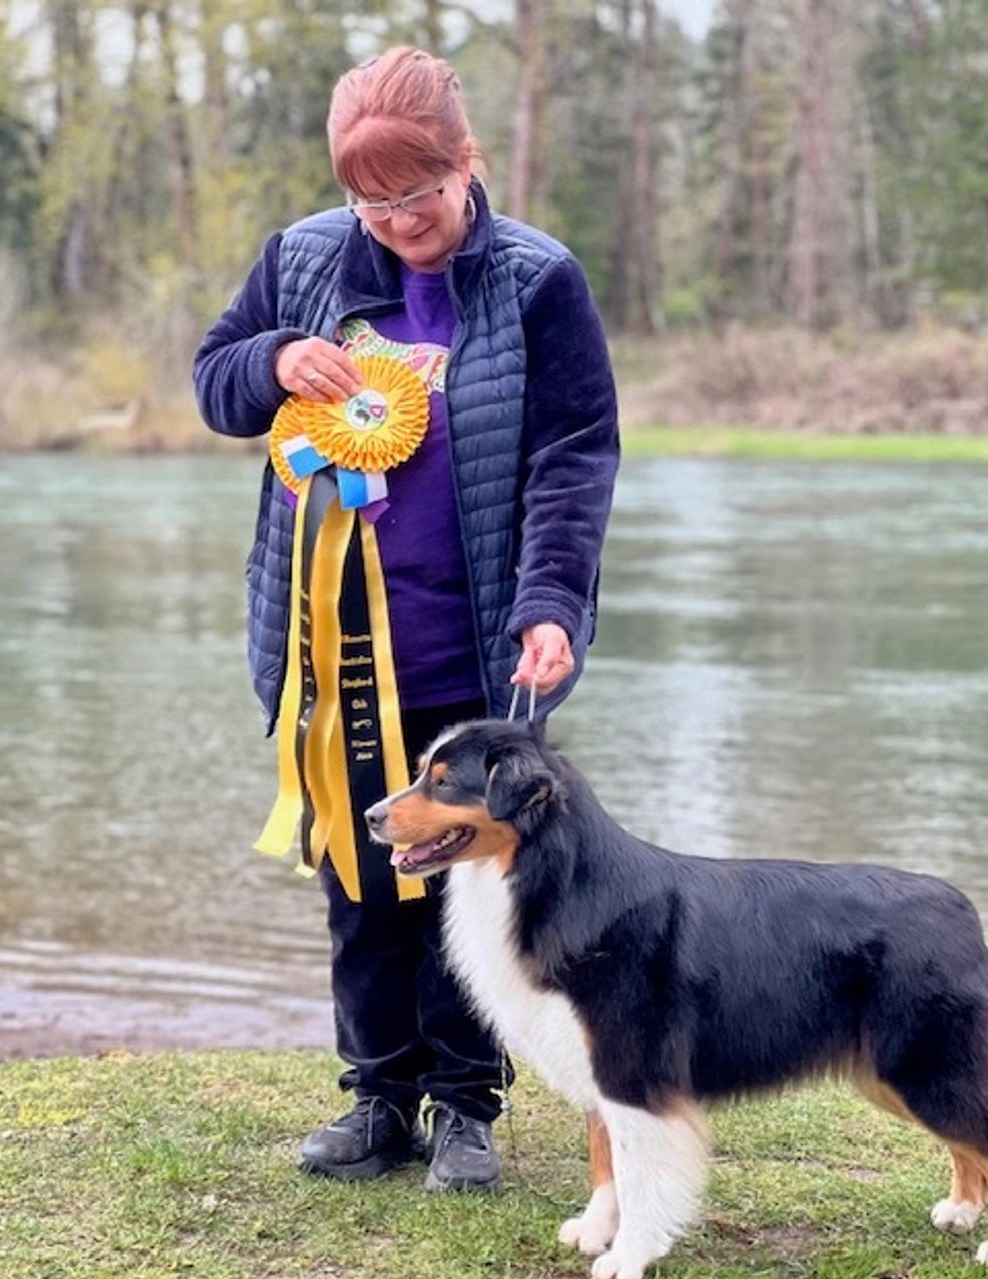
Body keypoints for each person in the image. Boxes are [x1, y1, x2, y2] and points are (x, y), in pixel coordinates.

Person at [192, 46, 619, 1192]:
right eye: (369, 202)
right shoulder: (300, 258)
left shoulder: (539, 280)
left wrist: (552, 603)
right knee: (359, 882)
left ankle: (466, 1110)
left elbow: (574, 459)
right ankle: (376, 1098)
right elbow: (215, 379)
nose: (394, 223)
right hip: (328, 650)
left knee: (471, 891)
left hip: (474, 653)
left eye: (416, 196)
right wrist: (277, 355)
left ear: (463, 163)